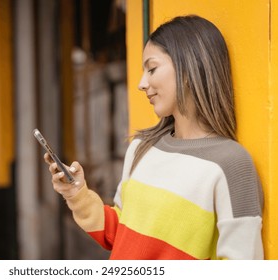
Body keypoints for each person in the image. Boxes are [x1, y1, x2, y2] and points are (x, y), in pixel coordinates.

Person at [44, 15, 264, 260]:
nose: (141, 83)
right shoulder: (141, 148)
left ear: (189, 67)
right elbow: (119, 234)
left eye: (152, 68)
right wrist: (78, 194)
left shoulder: (232, 165)